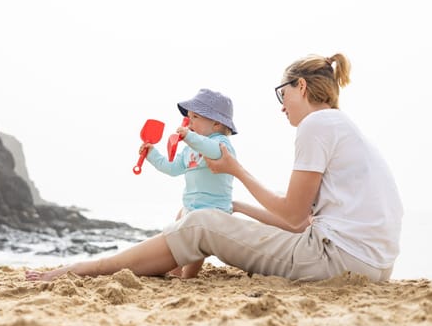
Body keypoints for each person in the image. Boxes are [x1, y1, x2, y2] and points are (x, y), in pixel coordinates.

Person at [25, 53, 403, 283]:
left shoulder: (315, 125)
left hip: (336, 259)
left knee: (200, 222)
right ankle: (128, 264)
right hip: (370, 264)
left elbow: (292, 214)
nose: (281, 105)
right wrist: (235, 207)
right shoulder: (343, 127)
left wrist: (235, 171)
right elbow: (300, 223)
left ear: (300, 87)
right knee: (208, 218)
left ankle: (91, 268)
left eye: (282, 94)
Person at [142, 88, 237, 278]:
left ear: (216, 123)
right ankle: (175, 270)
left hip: (213, 213)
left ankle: (189, 275)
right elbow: (172, 168)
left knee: (196, 245)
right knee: (178, 227)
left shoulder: (221, 145)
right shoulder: (189, 150)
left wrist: (189, 137)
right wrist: (151, 154)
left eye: (194, 117)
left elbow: (210, 149)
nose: (188, 121)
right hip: (191, 208)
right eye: (189, 117)